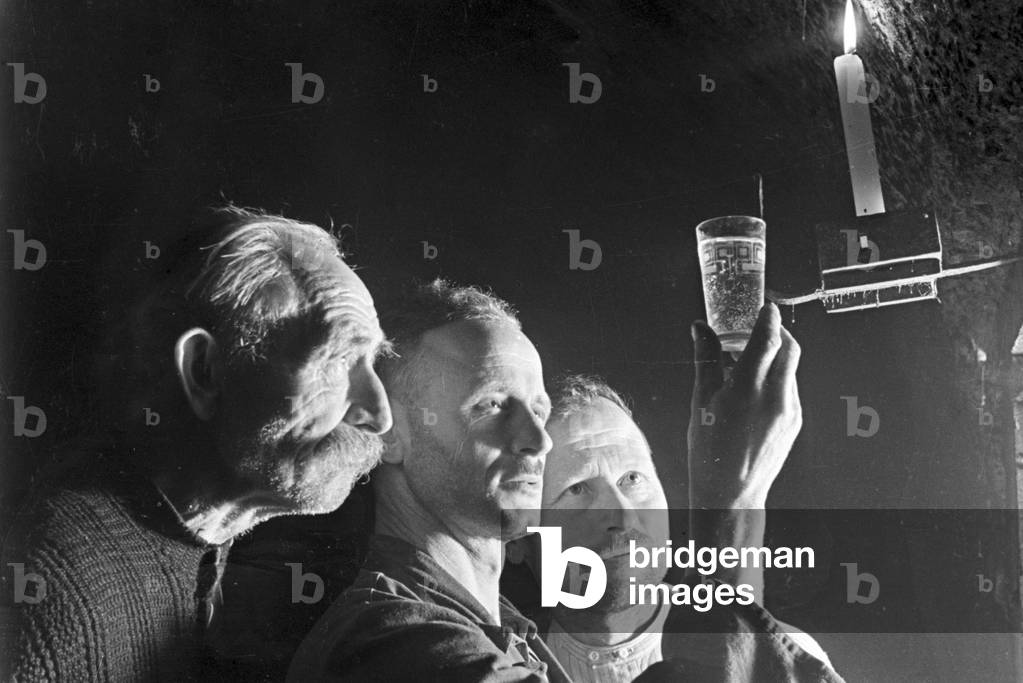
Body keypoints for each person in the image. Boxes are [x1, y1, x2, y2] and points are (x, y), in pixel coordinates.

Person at [2, 206, 393, 681]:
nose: (379, 413)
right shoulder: (58, 595)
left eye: (372, 361)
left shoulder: (184, 531)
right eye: (338, 359)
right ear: (205, 370)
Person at [509, 307, 844, 682]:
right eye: (577, 489)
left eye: (632, 478)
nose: (621, 516)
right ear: (517, 538)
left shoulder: (790, 659)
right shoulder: (498, 668)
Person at [288, 279, 570, 681]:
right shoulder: (394, 640)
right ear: (389, 436)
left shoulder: (506, 629)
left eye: (539, 411)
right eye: (491, 405)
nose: (539, 441)